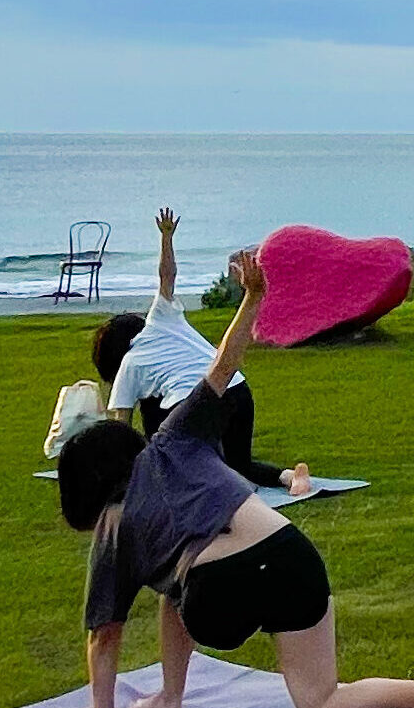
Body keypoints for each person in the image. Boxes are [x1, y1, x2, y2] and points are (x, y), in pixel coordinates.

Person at [56, 250, 414, 708]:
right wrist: (253, 297)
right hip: (295, 558)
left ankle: (169, 699)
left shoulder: (113, 525)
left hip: (219, 591)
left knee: (173, 585)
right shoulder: (176, 436)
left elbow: (104, 634)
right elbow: (224, 366)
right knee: (319, 704)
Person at [90, 208, 312, 496]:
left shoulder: (128, 367)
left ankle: (228, 483)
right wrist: (166, 238)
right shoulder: (161, 318)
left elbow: (121, 428)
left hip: (196, 401)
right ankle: (290, 477)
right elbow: (166, 276)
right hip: (237, 388)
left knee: (169, 447)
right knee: (239, 461)